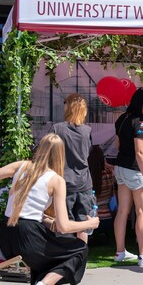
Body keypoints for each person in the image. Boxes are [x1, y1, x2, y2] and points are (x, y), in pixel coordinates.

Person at [0, 133, 99, 285]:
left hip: (7, 235)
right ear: (61, 155)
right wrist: (89, 224)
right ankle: (45, 284)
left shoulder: (21, 165)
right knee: (79, 249)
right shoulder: (56, 180)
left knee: (53, 245)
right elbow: (64, 226)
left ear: (40, 149)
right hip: (28, 236)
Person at [113, 87, 143, 267]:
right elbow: (140, 152)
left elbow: (118, 144)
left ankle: (120, 252)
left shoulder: (122, 118)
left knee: (122, 211)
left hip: (120, 167)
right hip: (135, 170)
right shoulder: (139, 122)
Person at [50, 93, 93, 244]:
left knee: (64, 222)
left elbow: (48, 152)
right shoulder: (87, 131)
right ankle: (82, 257)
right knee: (84, 223)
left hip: (63, 181)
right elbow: (88, 152)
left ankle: (66, 257)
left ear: (67, 107)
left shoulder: (57, 129)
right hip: (84, 181)